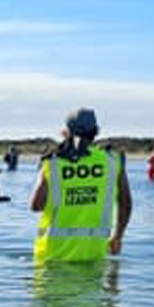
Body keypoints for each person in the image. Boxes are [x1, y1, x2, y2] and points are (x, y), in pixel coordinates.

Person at [29, 107, 132, 263]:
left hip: (52, 255)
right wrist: (117, 237)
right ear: (96, 131)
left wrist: (44, 169)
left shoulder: (53, 162)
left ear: (67, 131)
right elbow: (125, 202)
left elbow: (36, 205)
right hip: (92, 254)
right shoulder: (112, 161)